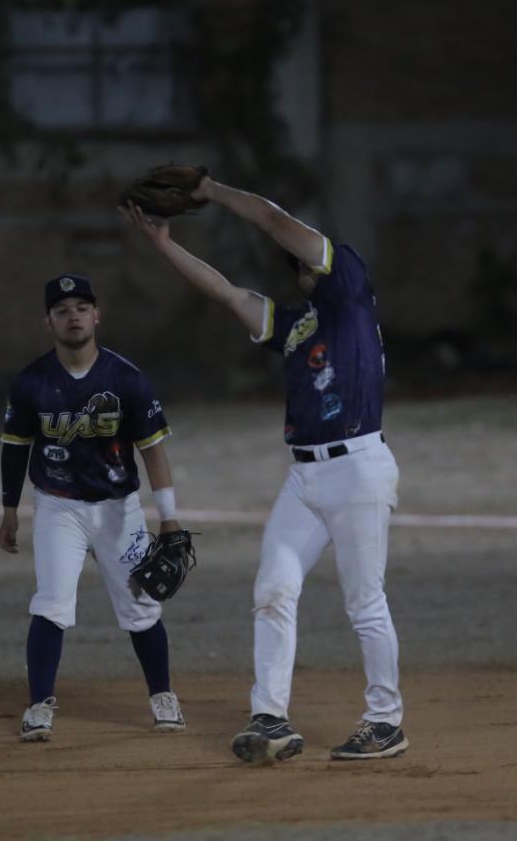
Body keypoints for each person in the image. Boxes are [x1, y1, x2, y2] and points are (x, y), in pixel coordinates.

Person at [121, 178, 408, 763]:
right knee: (273, 589)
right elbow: (228, 294)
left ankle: (385, 721)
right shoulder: (298, 324)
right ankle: (270, 717)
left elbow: (275, 222)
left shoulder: (349, 283)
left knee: (364, 601)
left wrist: (210, 189)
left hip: (357, 467)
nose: (303, 265)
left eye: (304, 257)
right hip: (305, 477)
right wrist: (164, 244)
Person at [0, 273, 186, 742]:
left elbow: (153, 450)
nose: (74, 317)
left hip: (120, 509)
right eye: (62, 310)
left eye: (82, 308)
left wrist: (168, 516)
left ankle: (163, 696)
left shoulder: (126, 378)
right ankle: (39, 706)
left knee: (142, 606)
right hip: (58, 507)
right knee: (52, 603)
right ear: (48, 322)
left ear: (97, 315)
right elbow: (15, 448)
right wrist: (9, 509)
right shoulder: (32, 381)